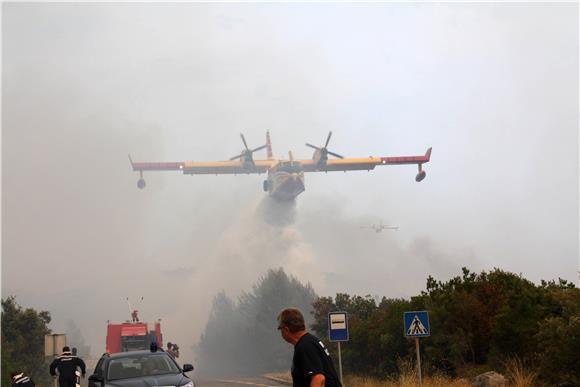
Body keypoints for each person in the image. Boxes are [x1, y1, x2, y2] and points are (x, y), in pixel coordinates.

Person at [277, 308, 342, 387]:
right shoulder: (310, 341)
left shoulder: (305, 346)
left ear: (286, 329)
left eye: (280, 329)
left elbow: (318, 379)